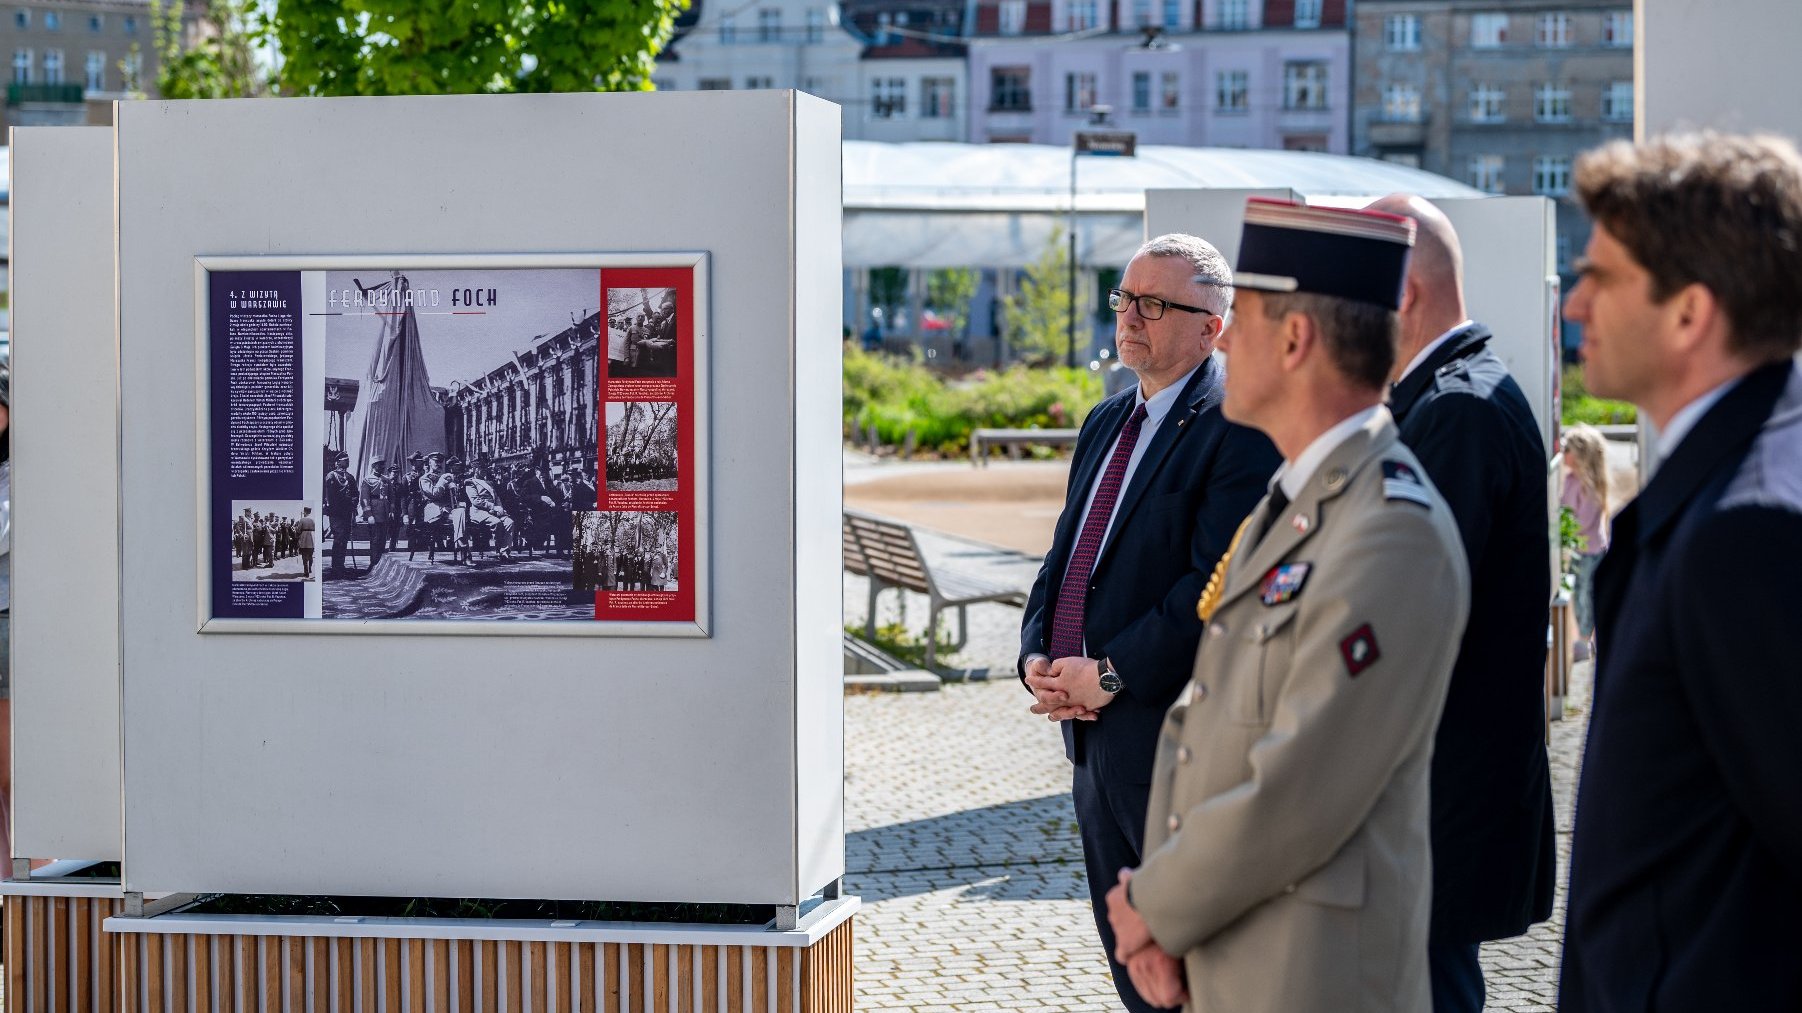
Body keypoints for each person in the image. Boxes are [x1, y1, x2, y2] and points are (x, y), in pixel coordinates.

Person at [1103, 199, 1470, 1012]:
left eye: (1250, 319)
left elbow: (1302, 784)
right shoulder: (1297, 499)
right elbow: (1211, 727)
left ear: (1297, 339)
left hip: (1314, 973)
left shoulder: (1388, 528)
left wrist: (1155, 907)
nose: (1224, 338)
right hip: (1241, 953)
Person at [1558, 133, 1802, 1010]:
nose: (1577, 302)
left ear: (1691, 311)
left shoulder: (1752, 527)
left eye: (1602, 276)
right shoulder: (1741, 474)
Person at [1019, 233, 1280, 1013]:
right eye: (1126, 298)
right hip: (1094, 745)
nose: (1130, 316)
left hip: (1178, 750)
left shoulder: (1240, 425)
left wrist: (1107, 672)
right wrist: (1037, 653)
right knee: (1136, 971)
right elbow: (1065, 557)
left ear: (1214, 327)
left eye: (1155, 303)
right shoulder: (1106, 421)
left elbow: (1215, 586)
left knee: (1195, 975)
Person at [1366, 194, 1557, 1011]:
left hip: (1434, 812)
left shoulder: (1457, 412)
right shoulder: (1447, 398)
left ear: (1400, 294)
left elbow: (1396, 622)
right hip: (1433, 806)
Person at [1557, 424, 1610, 654]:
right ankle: (1584, 638)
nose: (1562, 452)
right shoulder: (1570, 480)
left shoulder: (1590, 487)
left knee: (1586, 595)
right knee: (1578, 594)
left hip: (1590, 550)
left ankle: (1585, 639)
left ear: (1579, 455)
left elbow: (1584, 520)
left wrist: (1565, 533)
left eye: (1567, 449)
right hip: (1578, 549)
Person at [461, 459, 515, 559]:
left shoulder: (489, 482)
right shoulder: (470, 482)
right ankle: (499, 551)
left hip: (493, 511)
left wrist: (500, 508)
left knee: (509, 522)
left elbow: (497, 498)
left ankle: (505, 551)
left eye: (486, 468)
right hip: (479, 512)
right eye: (482, 468)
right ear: (475, 469)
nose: (485, 470)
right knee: (497, 522)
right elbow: (476, 501)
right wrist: (493, 507)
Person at [360, 456, 391, 567]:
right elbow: (364, 498)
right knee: (375, 539)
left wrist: (391, 510)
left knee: (383, 539)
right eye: (379, 464)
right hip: (374, 511)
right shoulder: (367, 480)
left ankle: (381, 566)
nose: (382, 467)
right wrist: (369, 515)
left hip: (384, 511)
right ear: (373, 466)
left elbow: (391, 496)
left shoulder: (386, 480)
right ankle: (373, 564)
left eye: (382, 464)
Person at [297, 506, 317, 579]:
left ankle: (306, 572)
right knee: (310, 555)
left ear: (305, 512)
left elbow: (298, 530)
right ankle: (310, 568)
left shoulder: (302, 520)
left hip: (304, 538)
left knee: (304, 556)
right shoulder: (313, 519)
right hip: (312, 537)